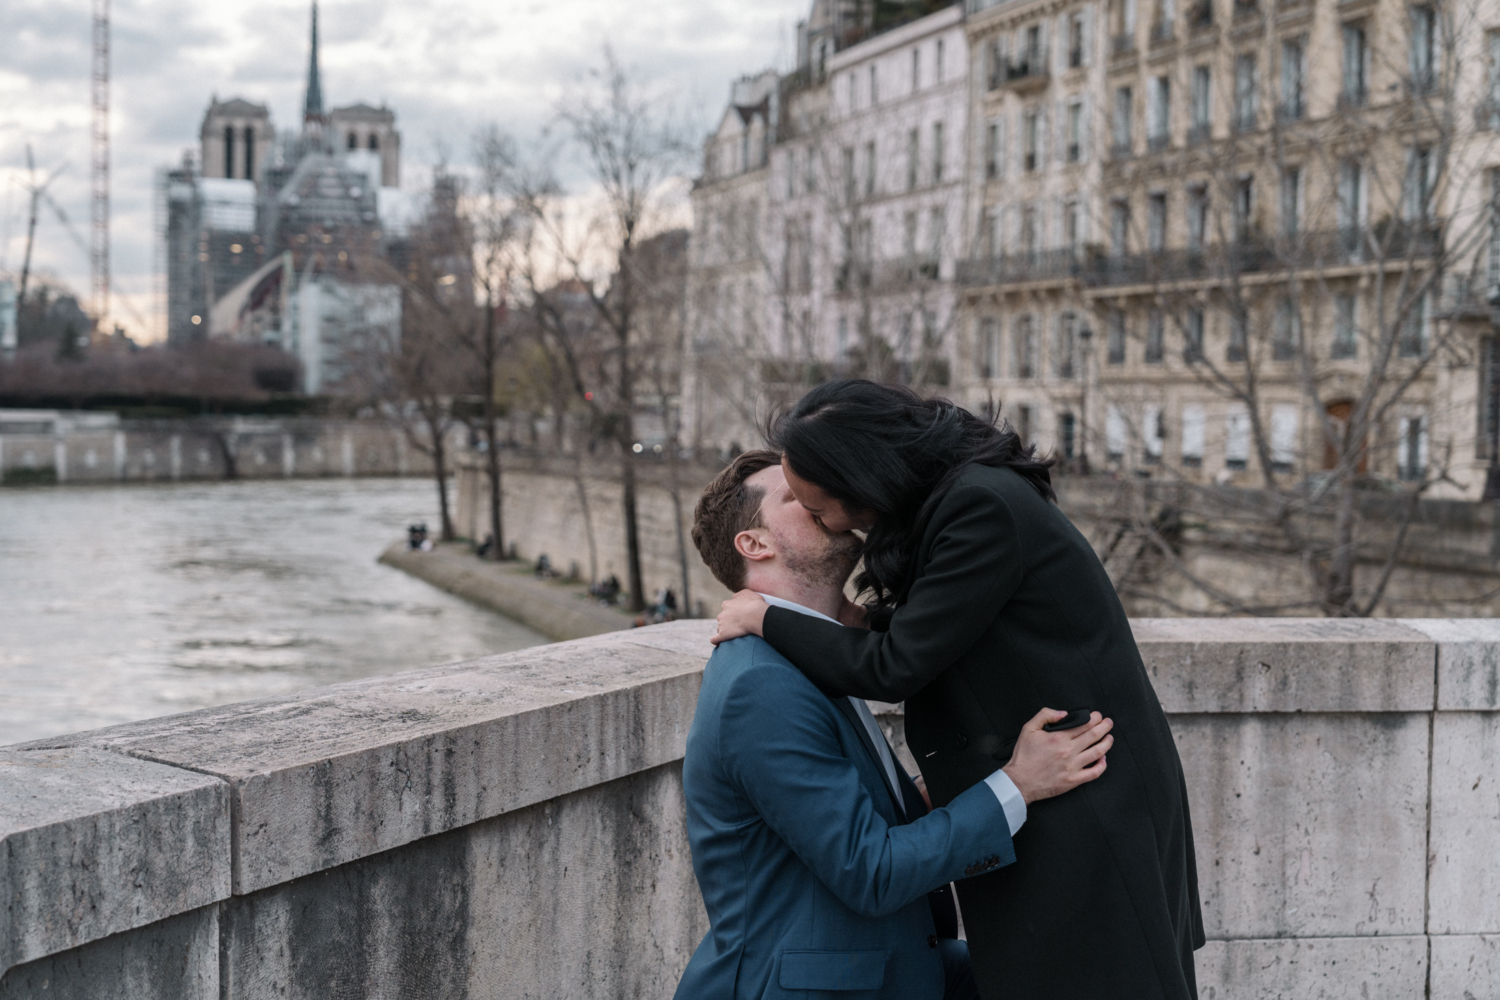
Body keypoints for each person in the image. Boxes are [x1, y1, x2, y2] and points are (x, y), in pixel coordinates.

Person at [712, 381, 1204, 1000]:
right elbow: (950, 626)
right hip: (1062, 789)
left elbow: (896, 666)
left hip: (1087, 802)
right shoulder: (961, 499)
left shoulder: (979, 505)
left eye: (820, 506)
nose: (828, 523)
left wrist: (766, 617)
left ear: (863, 477)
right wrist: (855, 621)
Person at [679, 450, 1114, 1000]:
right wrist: (1019, 784)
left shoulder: (812, 654)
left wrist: (954, 783)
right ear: (755, 543)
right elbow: (871, 870)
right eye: (794, 495)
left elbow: (847, 820)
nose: (820, 497)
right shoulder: (759, 685)